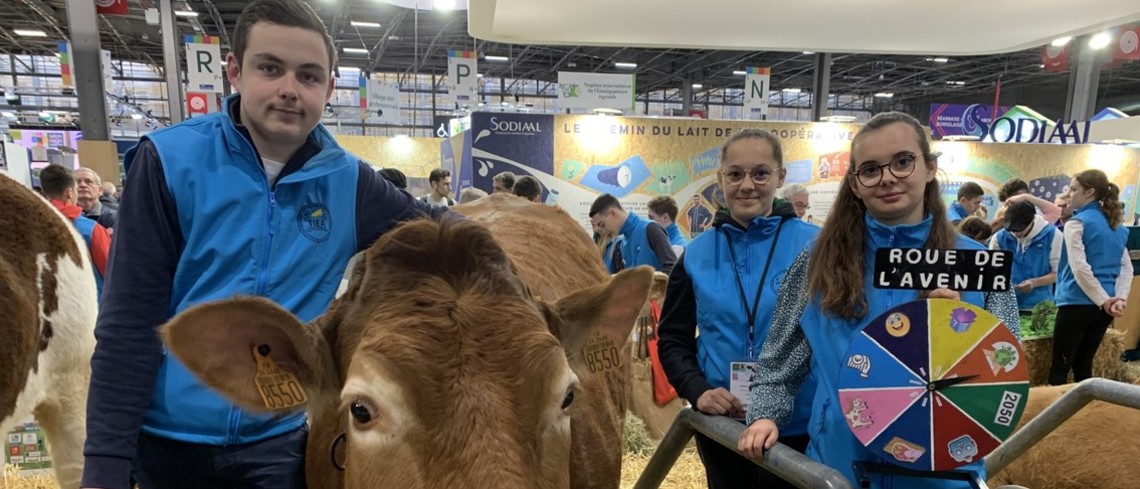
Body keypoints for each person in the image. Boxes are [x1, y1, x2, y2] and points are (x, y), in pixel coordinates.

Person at [80, 2, 449, 488]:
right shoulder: (169, 161)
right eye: (270, 68)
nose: (290, 90)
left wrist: (515, 238)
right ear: (235, 71)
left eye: (310, 76)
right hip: (165, 441)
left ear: (329, 88)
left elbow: (441, 229)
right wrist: (105, 466)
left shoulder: (349, 183)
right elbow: (128, 324)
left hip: (276, 443)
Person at [738, 112, 1020, 488]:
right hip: (838, 471)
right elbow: (779, 359)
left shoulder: (974, 265)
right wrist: (765, 415)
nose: (887, 177)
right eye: (870, 169)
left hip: (940, 476)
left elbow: (1006, 376)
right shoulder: (818, 260)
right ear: (855, 184)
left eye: (903, 162)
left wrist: (960, 338)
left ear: (930, 167)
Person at [659, 129, 819, 489]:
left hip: (797, 426)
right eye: (735, 174)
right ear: (721, 180)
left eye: (760, 173)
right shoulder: (696, 255)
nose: (747, 185)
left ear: (781, 176)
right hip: (723, 425)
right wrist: (697, 389)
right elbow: (672, 338)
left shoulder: (818, 247)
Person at [1049, 169, 1132, 385]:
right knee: (1084, 364)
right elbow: (1126, 268)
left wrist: (1103, 299)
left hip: (1076, 302)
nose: (1070, 195)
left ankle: (1051, 415)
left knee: (1060, 366)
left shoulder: (1076, 224)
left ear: (1090, 192)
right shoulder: (1117, 227)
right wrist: (1118, 299)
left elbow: (1080, 269)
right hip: (1104, 308)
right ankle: (1085, 412)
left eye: (1074, 189)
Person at [38, 164, 110, 299]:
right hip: (89, 305)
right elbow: (110, 272)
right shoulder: (91, 229)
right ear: (69, 193)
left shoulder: (32, 225)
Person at [989, 201, 1063, 315]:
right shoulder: (999, 238)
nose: (1016, 233)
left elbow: (1057, 273)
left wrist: (1034, 283)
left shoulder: (1053, 235)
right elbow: (992, 272)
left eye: (1020, 229)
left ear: (1032, 220)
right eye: (1012, 229)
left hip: (1040, 306)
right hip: (1006, 305)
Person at [589, 193, 676, 274]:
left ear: (613, 213)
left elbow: (672, 267)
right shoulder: (622, 242)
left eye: (602, 224)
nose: (603, 231)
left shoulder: (651, 229)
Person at [75, 167, 118, 233]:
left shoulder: (113, 217)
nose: (82, 185)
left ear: (100, 190)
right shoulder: (64, 217)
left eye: (88, 181)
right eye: (77, 182)